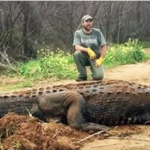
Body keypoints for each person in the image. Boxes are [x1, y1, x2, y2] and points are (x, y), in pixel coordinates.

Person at [73, 15, 107, 82]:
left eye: (90, 21)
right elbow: (76, 47)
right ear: (82, 23)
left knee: (99, 77)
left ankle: (94, 70)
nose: (89, 23)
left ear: (92, 23)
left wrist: (101, 58)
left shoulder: (97, 32)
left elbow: (104, 45)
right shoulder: (78, 33)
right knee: (77, 54)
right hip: (84, 57)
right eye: (86, 21)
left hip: (95, 58)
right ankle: (82, 75)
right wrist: (88, 50)